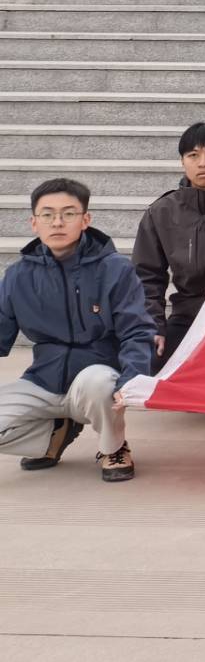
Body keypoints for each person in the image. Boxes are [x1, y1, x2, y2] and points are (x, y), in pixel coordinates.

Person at [1, 178, 150, 482]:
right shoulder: (18, 275)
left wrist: (131, 380)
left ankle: (113, 447)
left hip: (96, 377)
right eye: (47, 214)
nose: (57, 222)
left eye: (68, 213)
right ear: (34, 223)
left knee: (99, 383)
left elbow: (137, 330)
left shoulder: (114, 269)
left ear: (85, 220)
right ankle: (54, 432)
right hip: (44, 380)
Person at [133, 124, 205, 416]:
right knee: (149, 364)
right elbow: (147, 277)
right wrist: (154, 327)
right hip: (191, 315)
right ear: (182, 161)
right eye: (193, 155)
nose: (203, 163)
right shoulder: (162, 212)